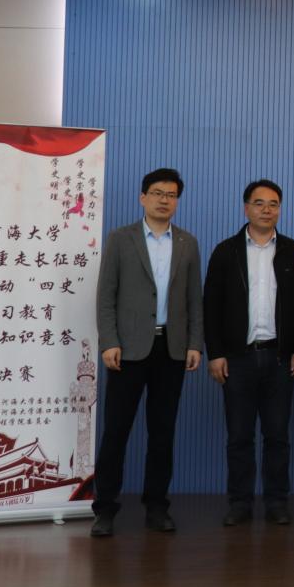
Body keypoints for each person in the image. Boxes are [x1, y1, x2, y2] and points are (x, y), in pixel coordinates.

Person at [91, 168, 203, 537]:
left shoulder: (187, 243)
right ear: (143, 198)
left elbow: (194, 299)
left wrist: (194, 343)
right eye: (157, 193)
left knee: (162, 432)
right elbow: (106, 296)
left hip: (171, 349)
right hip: (127, 350)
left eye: (171, 195)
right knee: (116, 431)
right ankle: (105, 508)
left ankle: (157, 506)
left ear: (177, 201)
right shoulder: (120, 239)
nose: (163, 200)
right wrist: (109, 341)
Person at [203, 179, 294, 527]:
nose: (267, 210)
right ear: (246, 207)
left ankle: (277, 501)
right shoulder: (226, 251)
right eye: (259, 203)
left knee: (277, 436)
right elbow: (211, 306)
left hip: (280, 358)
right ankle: (240, 502)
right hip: (238, 358)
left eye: (274, 204)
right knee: (239, 436)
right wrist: (215, 353)